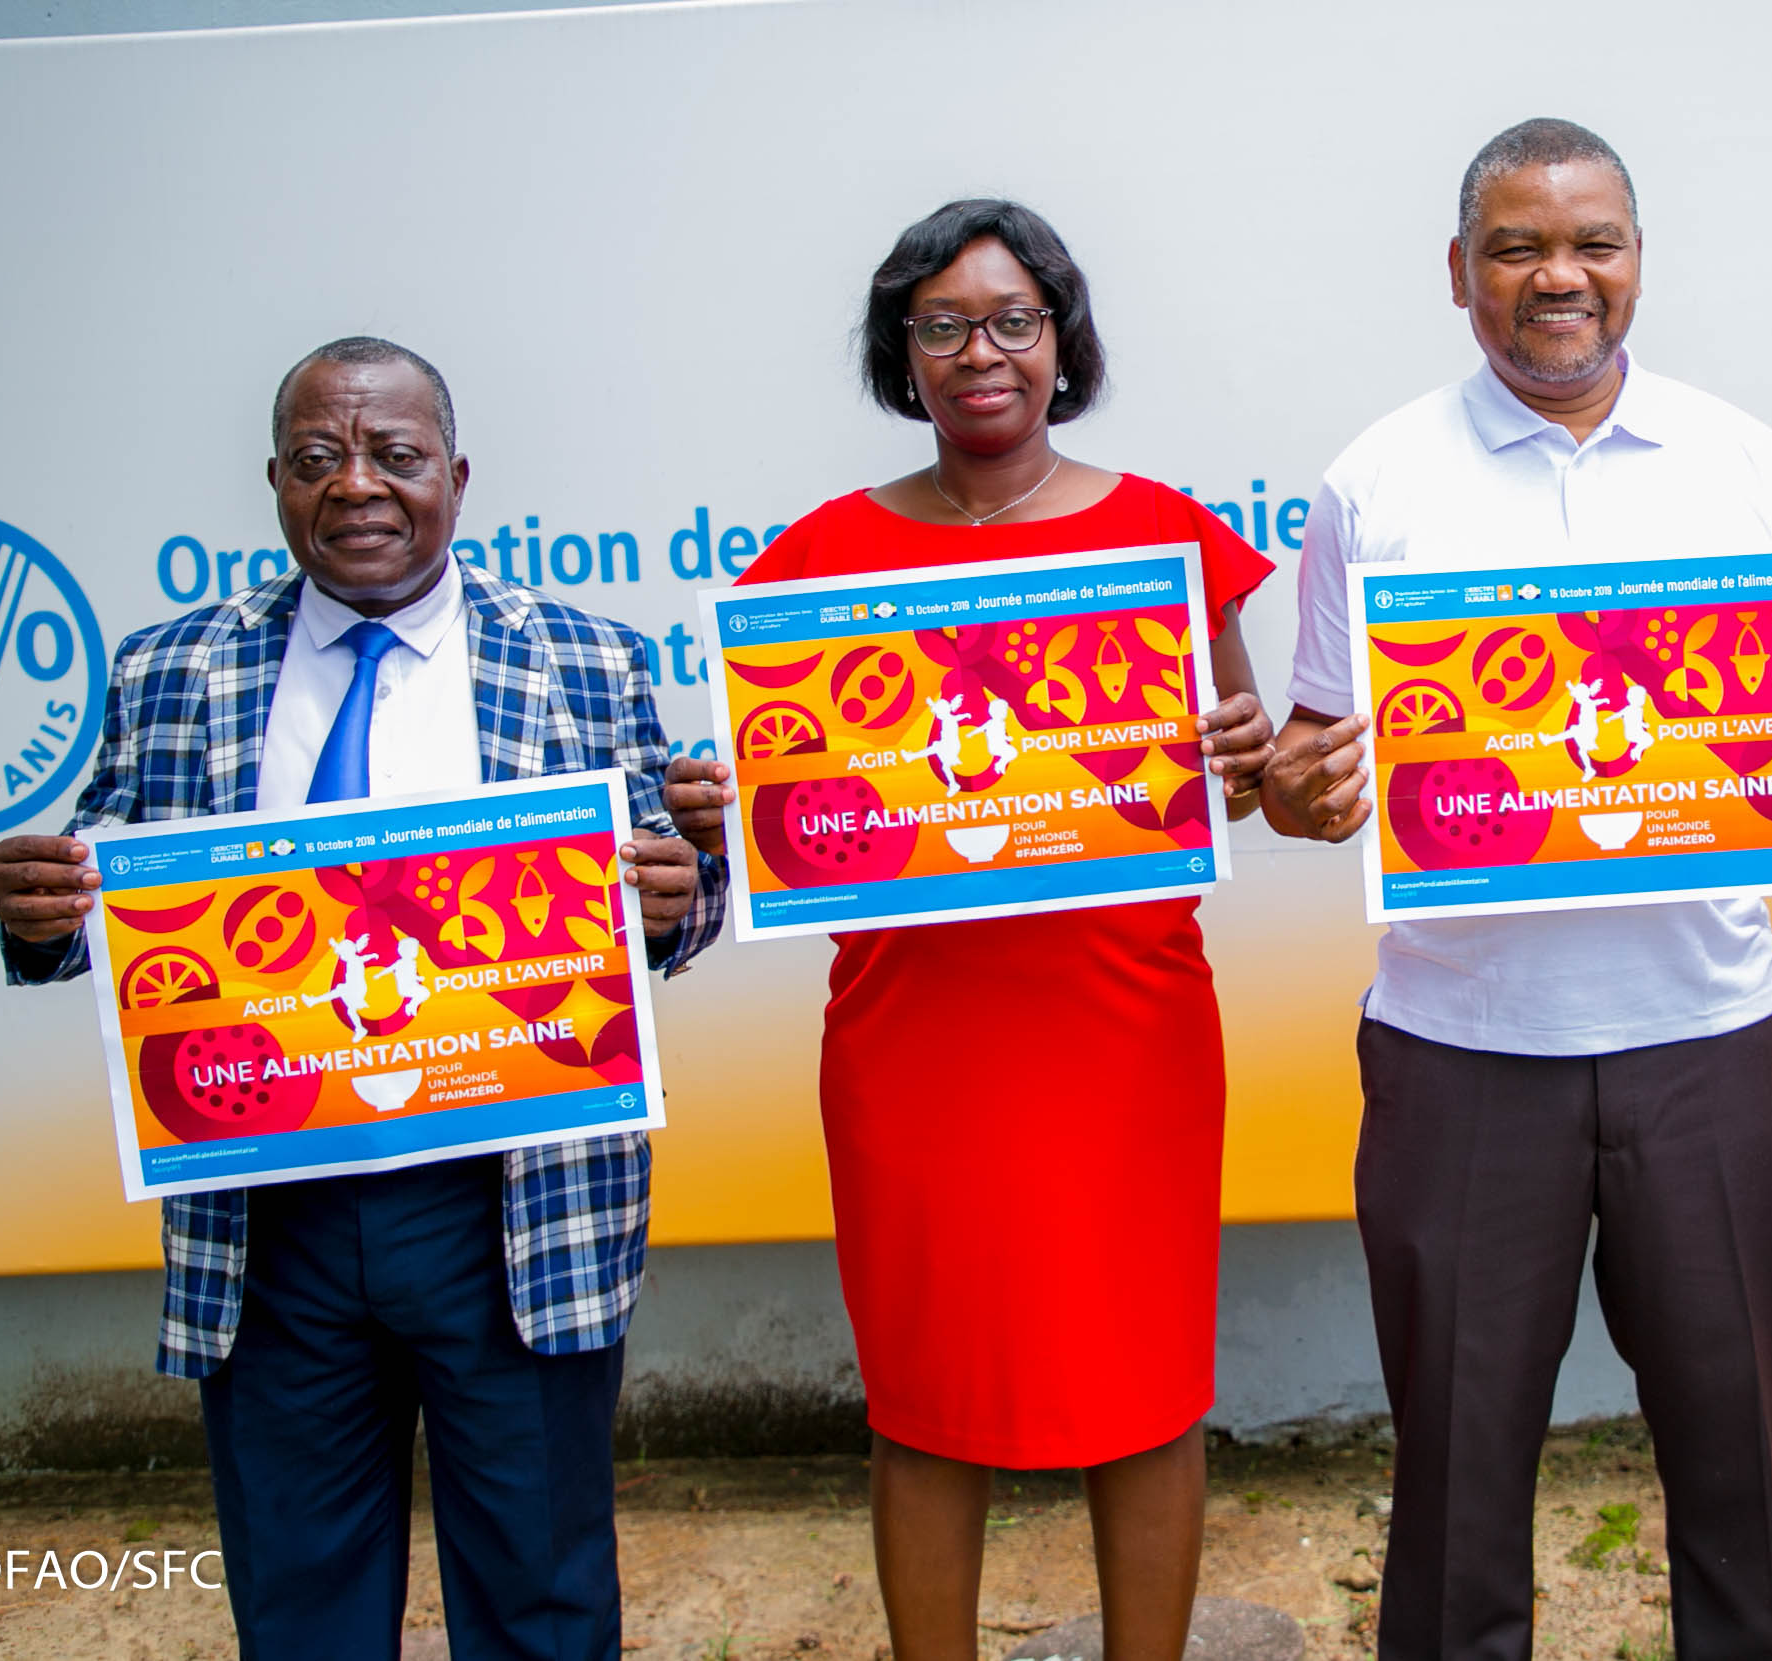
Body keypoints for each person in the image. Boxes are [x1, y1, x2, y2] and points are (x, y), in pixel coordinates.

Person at [1258, 119, 1772, 1661]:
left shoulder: (1746, 460)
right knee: (1454, 1481)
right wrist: (1302, 791)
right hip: (1459, 1048)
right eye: (1516, 248)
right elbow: (1311, 756)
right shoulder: (1375, 481)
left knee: (1737, 1460)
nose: (1557, 276)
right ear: (1459, 273)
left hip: (1708, 1034)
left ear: (1639, 262)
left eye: (1592, 244)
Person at [0, 337, 726, 1661]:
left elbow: (674, 889)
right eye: (320, 458)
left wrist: (677, 899)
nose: (358, 486)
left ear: (457, 477)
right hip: (272, 1216)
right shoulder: (172, 668)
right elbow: (105, 892)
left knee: (545, 1599)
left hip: (513, 1204)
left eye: (395, 455)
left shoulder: (587, 657)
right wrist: (41, 912)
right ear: (276, 481)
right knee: (301, 1603)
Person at [672, 199, 1275, 1661]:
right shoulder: (819, 556)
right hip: (914, 1038)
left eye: (1013, 319)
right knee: (926, 1396)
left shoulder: (1165, 536)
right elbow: (779, 809)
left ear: (1063, 340)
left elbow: (1242, 774)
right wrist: (719, 810)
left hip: (1122, 1029)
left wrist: (1249, 754)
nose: (981, 351)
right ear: (903, 350)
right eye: (941, 324)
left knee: (1145, 1387)